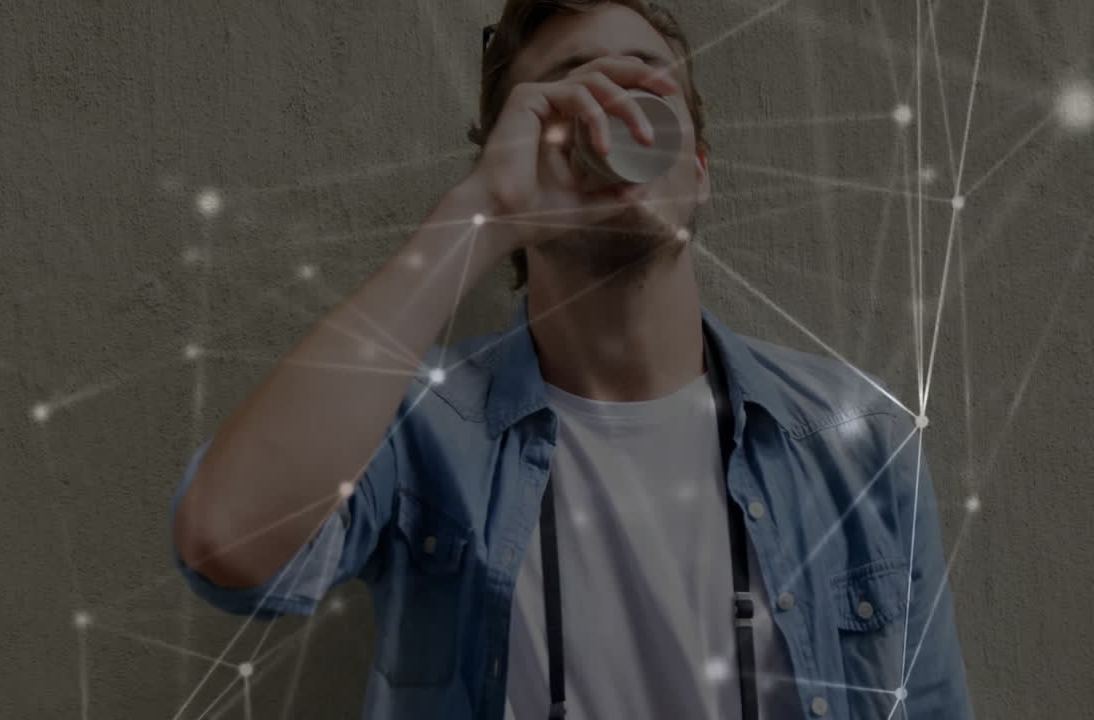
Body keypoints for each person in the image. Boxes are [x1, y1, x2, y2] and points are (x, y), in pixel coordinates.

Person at [171, 1, 974, 718]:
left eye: (648, 91)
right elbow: (230, 543)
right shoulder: (422, 425)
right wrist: (482, 212)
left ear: (696, 171)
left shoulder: (856, 439)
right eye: (570, 93)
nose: (610, 115)